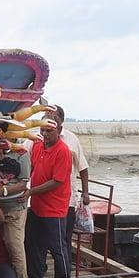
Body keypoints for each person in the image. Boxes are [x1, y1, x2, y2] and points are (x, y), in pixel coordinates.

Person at [23, 118, 73, 278]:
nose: (45, 134)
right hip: (37, 206)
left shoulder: (63, 151)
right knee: (32, 243)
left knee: (57, 247)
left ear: (59, 130)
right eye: (42, 130)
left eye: (49, 131)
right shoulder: (37, 145)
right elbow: (31, 167)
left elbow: (57, 181)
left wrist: (31, 191)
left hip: (54, 209)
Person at [54, 106, 90, 263]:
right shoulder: (38, 138)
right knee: (43, 238)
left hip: (67, 199)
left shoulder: (71, 139)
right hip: (43, 200)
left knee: (65, 238)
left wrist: (86, 192)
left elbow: (83, 167)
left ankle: (64, 272)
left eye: (53, 117)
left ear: (61, 121)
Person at [0, 142, 30, 278]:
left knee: (15, 247)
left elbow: (22, 184)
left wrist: (2, 191)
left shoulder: (22, 153)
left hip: (15, 209)